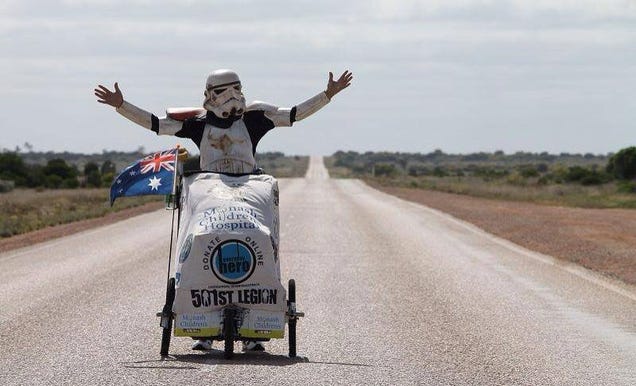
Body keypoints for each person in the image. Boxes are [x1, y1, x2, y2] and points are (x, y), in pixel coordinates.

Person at [95, 69, 352, 352]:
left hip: (250, 190)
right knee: (199, 244)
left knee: (260, 241)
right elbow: (157, 124)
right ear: (210, 95)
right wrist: (121, 105)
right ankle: (201, 326)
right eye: (223, 91)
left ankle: (256, 328)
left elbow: (293, 114)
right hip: (209, 192)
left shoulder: (255, 119)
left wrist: (328, 94)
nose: (231, 97)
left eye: (236, 89)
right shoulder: (197, 124)